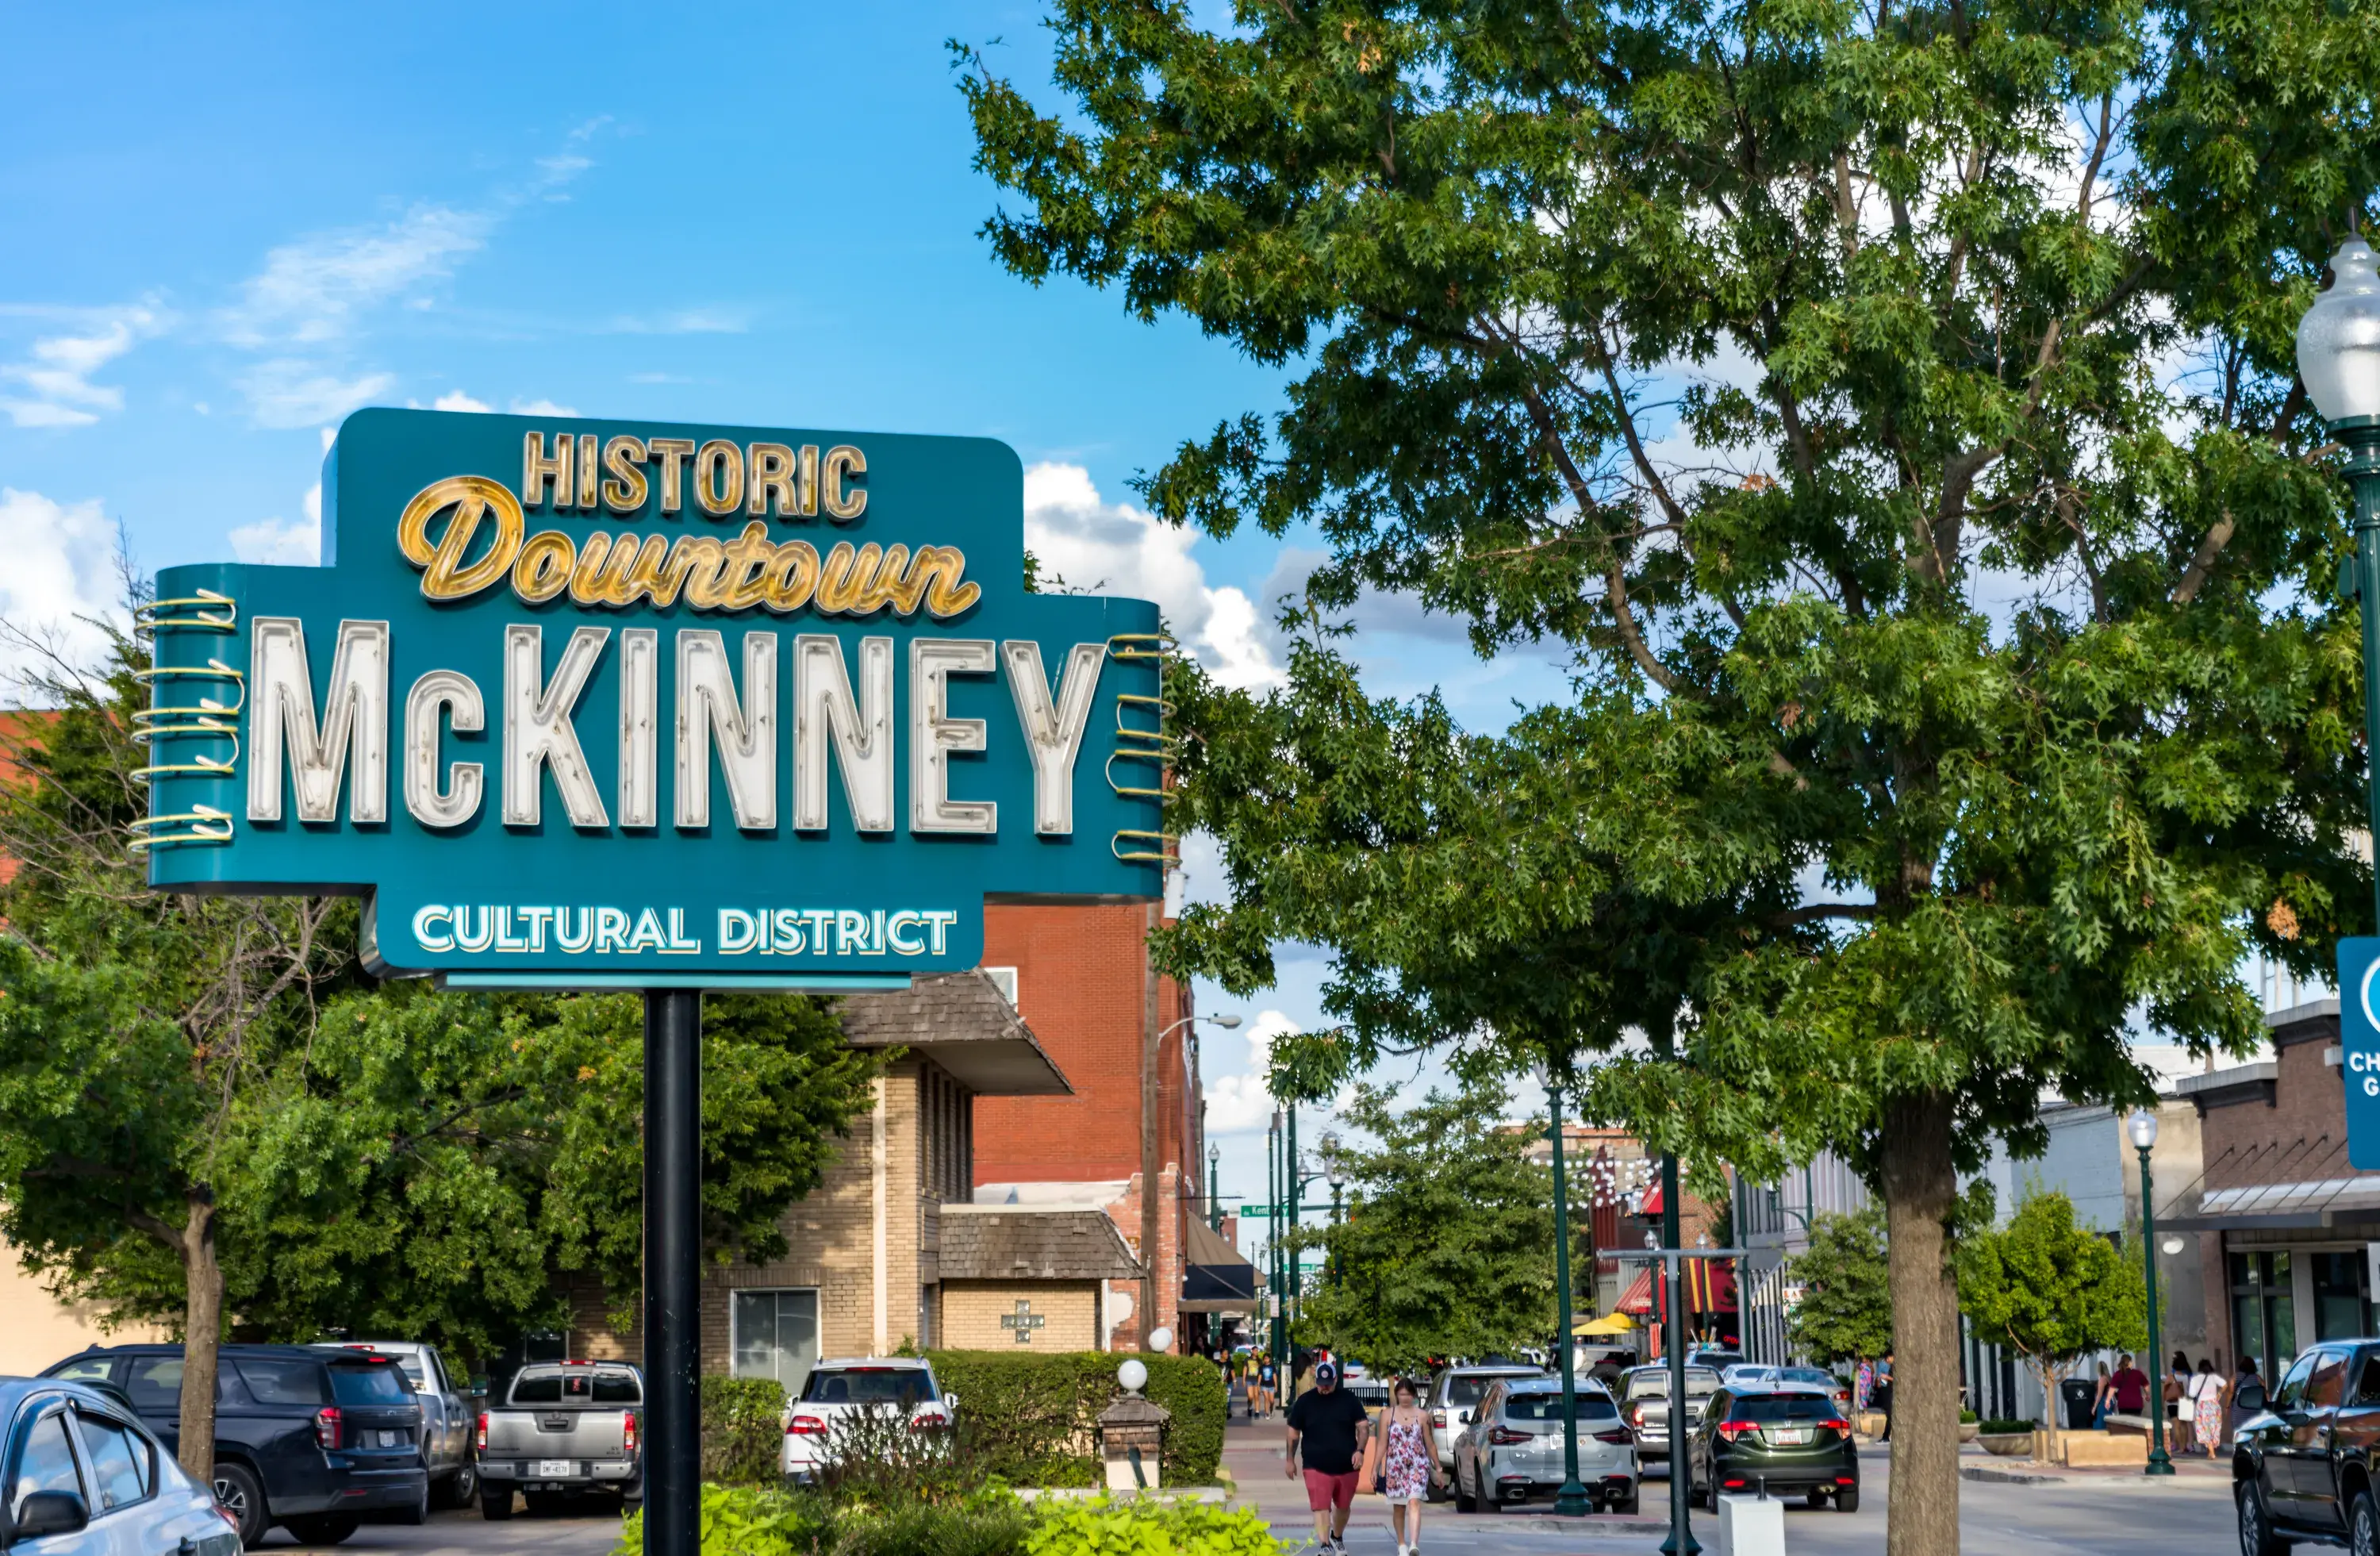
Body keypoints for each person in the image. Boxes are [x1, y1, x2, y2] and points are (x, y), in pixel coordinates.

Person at [1286, 1359, 1372, 1554]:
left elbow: (1363, 1427)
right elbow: (1293, 1433)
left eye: (1328, 1385)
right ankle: (1325, 1545)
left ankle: (1337, 1536)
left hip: (1347, 1465)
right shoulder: (1305, 1402)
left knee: (1343, 1506)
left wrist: (1360, 1451)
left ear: (1335, 1380)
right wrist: (1290, 1460)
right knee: (1320, 1506)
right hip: (1315, 1464)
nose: (1324, 1389)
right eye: (1320, 1385)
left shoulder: (1349, 1399)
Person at [1376, 1377, 1441, 1556]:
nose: (1404, 1397)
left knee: (1414, 1501)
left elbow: (1430, 1444)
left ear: (1413, 1395)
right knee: (1399, 1507)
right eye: (1401, 1394)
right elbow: (1382, 1443)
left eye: (1408, 1394)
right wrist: (1376, 1467)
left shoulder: (1422, 1416)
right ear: (1397, 1394)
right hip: (1395, 1467)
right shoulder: (1387, 1415)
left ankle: (1414, 1544)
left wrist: (1438, 1468)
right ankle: (1402, 1544)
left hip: (1418, 1466)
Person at [2186, 1358, 2225, 1457]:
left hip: (2202, 1405)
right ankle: (2211, 1451)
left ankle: (2211, 1451)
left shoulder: (2195, 1379)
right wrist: (2219, 1394)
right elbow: (2225, 1385)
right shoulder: (2213, 1377)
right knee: (2214, 1427)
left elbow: (2191, 1394)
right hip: (2214, 1404)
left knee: (2204, 1428)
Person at [2167, 1350, 2194, 1455]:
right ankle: (2185, 1446)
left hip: (2173, 1401)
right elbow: (2189, 1389)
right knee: (2184, 1425)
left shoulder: (2171, 1376)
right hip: (2185, 1400)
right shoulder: (2188, 1374)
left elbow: (2166, 1389)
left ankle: (2179, 1446)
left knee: (2176, 1425)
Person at [2109, 1352, 2149, 1419]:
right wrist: (2147, 1395)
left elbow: (2112, 1388)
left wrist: (2108, 1400)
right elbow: (2146, 1385)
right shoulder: (2137, 1373)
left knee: (2125, 1425)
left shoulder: (2118, 1374)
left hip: (2123, 1404)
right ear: (2130, 1362)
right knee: (2136, 1424)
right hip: (2136, 1404)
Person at [1875, 1351, 1895, 1443]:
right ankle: (1886, 1436)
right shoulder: (1888, 1366)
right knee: (1889, 1415)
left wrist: (1886, 1377)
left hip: (1890, 1393)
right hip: (1886, 1392)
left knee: (1890, 1415)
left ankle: (1886, 1436)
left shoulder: (1893, 1367)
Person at [2089, 1361, 2113, 1429]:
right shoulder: (2109, 1379)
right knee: (2107, 1422)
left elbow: (2099, 1395)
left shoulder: (2102, 1379)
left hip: (2103, 1403)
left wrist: (2094, 1407)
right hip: (2109, 1401)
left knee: (2100, 1423)